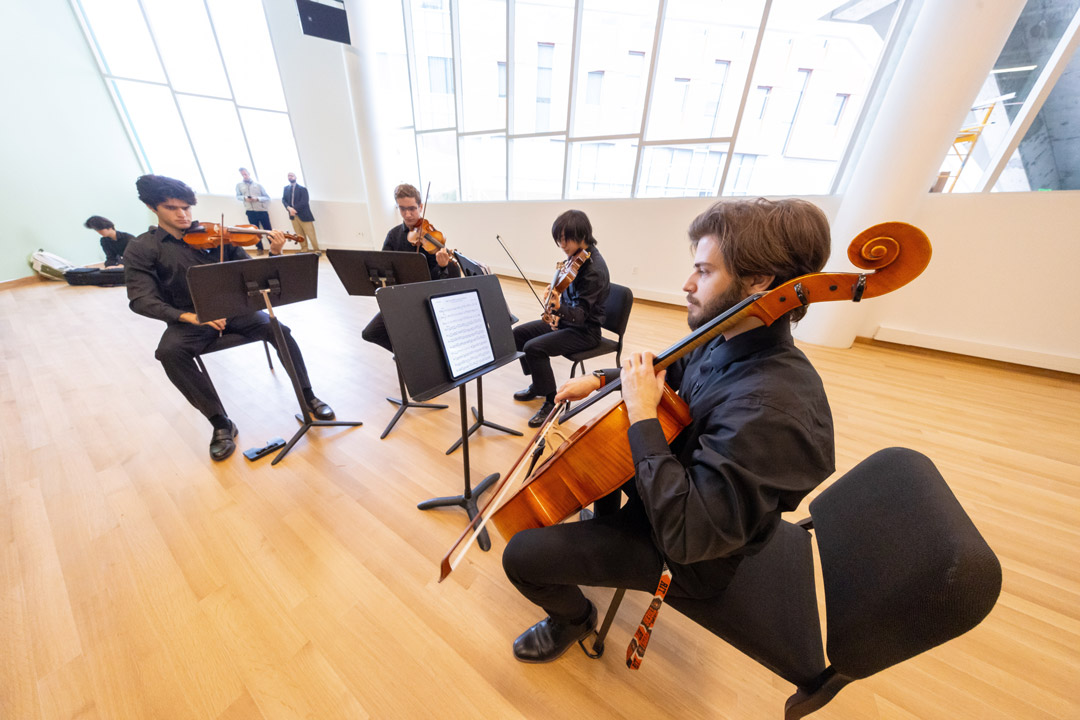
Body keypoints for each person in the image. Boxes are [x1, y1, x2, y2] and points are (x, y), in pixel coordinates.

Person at [501, 198, 835, 664]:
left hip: (687, 554)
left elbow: (687, 536)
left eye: (704, 271)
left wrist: (640, 416)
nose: (687, 284)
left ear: (760, 281)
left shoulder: (772, 410)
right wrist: (602, 381)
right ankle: (600, 530)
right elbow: (665, 375)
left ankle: (574, 618)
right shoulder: (725, 335)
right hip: (666, 489)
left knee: (520, 556)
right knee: (602, 458)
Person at [125, 174, 335, 461]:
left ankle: (308, 396)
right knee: (168, 353)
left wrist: (274, 252)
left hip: (237, 310)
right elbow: (141, 299)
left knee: (279, 330)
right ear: (153, 208)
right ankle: (220, 422)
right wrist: (189, 316)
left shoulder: (219, 236)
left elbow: (254, 276)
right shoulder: (143, 248)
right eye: (172, 208)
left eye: (186, 207)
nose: (183, 214)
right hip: (189, 320)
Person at [512, 210, 610, 428]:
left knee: (534, 348)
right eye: (559, 239)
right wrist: (556, 309)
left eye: (565, 239)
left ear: (582, 234)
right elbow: (568, 298)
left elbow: (582, 315)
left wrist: (559, 308)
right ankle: (539, 384)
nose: (562, 245)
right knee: (518, 334)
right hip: (568, 322)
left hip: (586, 332)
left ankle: (551, 401)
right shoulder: (576, 258)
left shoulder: (594, 269)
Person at [361, 183, 461, 352]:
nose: (407, 214)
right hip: (400, 298)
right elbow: (382, 264)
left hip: (425, 301)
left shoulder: (432, 237)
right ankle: (407, 356)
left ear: (421, 207)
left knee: (423, 335)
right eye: (402, 209)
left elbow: (442, 280)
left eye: (412, 209)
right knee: (370, 332)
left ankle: (421, 356)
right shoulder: (393, 235)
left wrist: (443, 265)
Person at [283, 172, 320, 252]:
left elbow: (304, 202)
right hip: (293, 216)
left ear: (296, 177)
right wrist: (289, 208)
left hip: (304, 215)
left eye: (292, 175)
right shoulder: (286, 189)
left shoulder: (302, 189)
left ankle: (316, 250)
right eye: (288, 176)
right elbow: (284, 200)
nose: (290, 177)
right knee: (299, 234)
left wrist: (293, 209)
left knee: (311, 234)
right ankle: (304, 248)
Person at [235, 167, 269, 253]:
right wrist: (244, 198)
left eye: (245, 174)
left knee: (268, 229)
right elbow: (238, 196)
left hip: (262, 211)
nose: (244, 176)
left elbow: (267, 197)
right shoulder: (239, 185)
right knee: (254, 231)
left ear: (249, 173)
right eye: (242, 174)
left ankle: (273, 246)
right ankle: (260, 248)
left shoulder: (258, 185)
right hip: (250, 212)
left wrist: (257, 198)